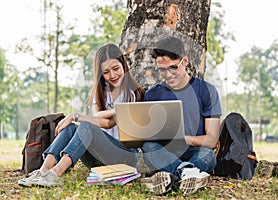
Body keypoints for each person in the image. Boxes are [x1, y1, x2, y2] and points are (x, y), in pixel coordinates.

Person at [18, 43, 145, 187]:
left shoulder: (134, 94)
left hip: (125, 157)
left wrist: (76, 116)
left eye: (116, 69)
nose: (112, 75)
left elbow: (108, 123)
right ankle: (44, 171)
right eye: (106, 72)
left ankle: (56, 173)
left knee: (86, 126)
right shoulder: (101, 93)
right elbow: (99, 117)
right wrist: (74, 118)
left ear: (124, 65)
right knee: (71, 128)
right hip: (99, 158)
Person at [141, 37, 222, 195]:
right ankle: (188, 175)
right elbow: (148, 135)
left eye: (173, 67)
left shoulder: (207, 91)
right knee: (149, 147)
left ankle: (170, 177)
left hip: (194, 150)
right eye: (162, 70)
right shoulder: (152, 94)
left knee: (208, 157)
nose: (168, 74)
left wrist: (185, 138)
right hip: (165, 151)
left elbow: (211, 140)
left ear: (184, 61)